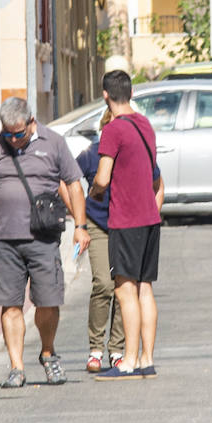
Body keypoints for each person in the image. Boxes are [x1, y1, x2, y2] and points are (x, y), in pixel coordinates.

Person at [0, 97, 90, 388]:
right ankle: (16, 367)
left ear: (31, 122)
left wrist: (81, 226)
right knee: (10, 305)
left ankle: (48, 352)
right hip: (2, 240)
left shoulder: (54, 142)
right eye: (7, 133)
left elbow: (73, 184)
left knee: (48, 301)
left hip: (43, 237)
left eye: (18, 133)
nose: (12, 139)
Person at [88, 70, 165, 380]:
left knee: (124, 290)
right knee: (145, 288)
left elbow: (103, 178)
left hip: (126, 219)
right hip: (150, 217)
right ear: (131, 93)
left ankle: (129, 361)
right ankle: (146, 358)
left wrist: (93, 190)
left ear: (105, 96)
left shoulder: (113, 129)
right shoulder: (145, 124)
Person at [76, 108, 127, 373]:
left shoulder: (130, 151)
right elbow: (69, 180)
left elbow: (155, 181)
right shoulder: (90, 153)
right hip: (97, 224)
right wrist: (78, 219)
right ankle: (95, 348)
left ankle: (117, 349)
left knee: (123, 287)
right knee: (104, 285)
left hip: (126, 225)